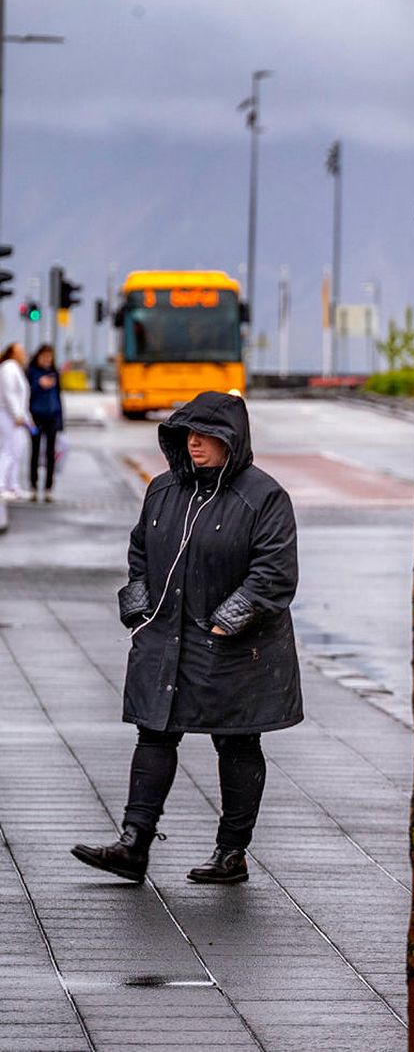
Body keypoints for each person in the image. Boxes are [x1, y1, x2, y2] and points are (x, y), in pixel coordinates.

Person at [71, 390, 302, 885]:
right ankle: (134, 844)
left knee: (237, 742)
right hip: (164, 636)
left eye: (207, 436)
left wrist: (227, 621)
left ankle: (231, 852)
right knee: (154, 731)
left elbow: (275, 573)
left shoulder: (264, 497)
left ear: (231, 441)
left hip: (237, 647)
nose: (195, 444)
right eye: (188, 435)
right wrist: (137, 609)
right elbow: (140, 552)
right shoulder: (162, 490)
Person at [26, 344, 63, 502]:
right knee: (34, 452)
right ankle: (33, 486)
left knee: (50, 454)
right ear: (38, 357)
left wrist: (61, 421)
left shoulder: (54, 373)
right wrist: (38, 384)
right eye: (44, 357)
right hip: (36, 417)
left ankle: (48, 487)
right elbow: (25, 395)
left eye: (50, 357)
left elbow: (59, 397)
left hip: (52, 417)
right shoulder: (31, 373)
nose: (47, 360)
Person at [0, 342, 31, 500]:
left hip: (16, 416)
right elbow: (9, 394)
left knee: (17, 451)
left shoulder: (15, 369)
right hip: (8, 415)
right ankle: (2, 485)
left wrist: (26, 417)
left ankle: (13, 485)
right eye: (21, 351)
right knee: (8, 450)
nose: (24, 354)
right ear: (13, 353)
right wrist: (17, 414)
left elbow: (21, 397)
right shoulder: (8, 369)